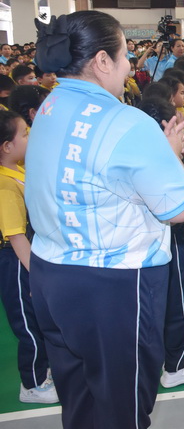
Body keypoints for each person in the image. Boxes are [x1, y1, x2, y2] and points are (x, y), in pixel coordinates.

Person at [25, 11, 184, 429]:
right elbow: (178, 209)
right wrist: (170, 158)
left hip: (51, 273)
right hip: (114, 285)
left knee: (79, 398)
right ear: (102, 61)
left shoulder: (50, 105)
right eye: (125, 55)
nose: (130, 66)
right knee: (122, 407)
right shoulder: (127, 122)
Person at [0, 110, 59, 404]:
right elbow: (15, 237)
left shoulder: (18, 170)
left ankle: (43, 371)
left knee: (38, 316)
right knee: (26, 323)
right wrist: (36, 275)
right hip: (15, 261)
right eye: (24, 133)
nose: (30, 136)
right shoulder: (5, 186)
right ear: (6, 146)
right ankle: (32, 384)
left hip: (29, 255)